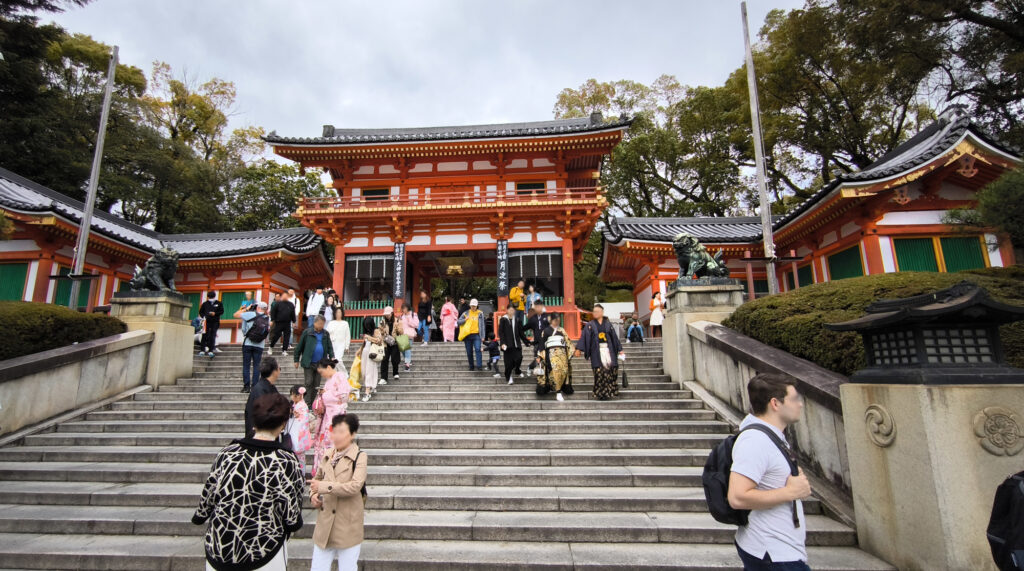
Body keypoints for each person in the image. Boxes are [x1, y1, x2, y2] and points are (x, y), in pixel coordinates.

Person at [194, 393, 304, 571]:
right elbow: (291, 512)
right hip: (263, 546)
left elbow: (207, 497)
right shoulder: (285, 460)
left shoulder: (227, 453)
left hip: (221, 543)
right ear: (283, 423)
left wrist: (202, 515)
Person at [728, 373, 811, 571]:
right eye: (794, 399)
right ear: (775, 403)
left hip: (779, 549)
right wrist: (791, 492)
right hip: (773, 552)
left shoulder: (771, 436)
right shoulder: (756, 441)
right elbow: (737, 497)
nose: (800, 404)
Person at [310, 414, 366, 571]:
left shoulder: (360, 457)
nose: (337, 436)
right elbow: (317, 479)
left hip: (347, 524)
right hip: (325, 525)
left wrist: (324, 487)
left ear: (352, 434)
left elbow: (354, 486)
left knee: (348, 567)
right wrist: (313, 495)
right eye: (335, 431)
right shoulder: (328, 454)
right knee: (317, 567)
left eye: (342, 432)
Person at [311, 357, 351, 478]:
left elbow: (344, 396)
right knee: (325, 443)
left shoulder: (340, 376)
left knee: (333, 442)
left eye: (322, 372)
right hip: (328, 415)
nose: (322, 375)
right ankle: (324, 470)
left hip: (336, 414)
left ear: (328, 367)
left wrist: (326, 394)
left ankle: (333, 470)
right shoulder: (330, 380)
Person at [575, 304, 625, 401]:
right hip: (596, 351)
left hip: (608, 349)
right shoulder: (590, 325)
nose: (595, 313)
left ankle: (609, 392)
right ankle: (600, 393)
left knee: (611, 370)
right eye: (594, 311)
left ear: (602, 312)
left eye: (597, 311)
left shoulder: (608, 324)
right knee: (598, 372)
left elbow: (614, 338)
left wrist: (620, 349)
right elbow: (584, 337)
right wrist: (579, 349)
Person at [293, 315, 335, 409]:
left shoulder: (325, 334)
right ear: (315, 323)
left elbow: (329, 346)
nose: (321, 326)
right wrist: (296, 359)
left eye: (323, 324)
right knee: (308, 382)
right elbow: (300, 346)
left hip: (320, 364)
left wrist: (332, 356)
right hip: (309, 362)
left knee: (316, 384)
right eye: (320, 323)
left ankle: (314, 404)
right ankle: (307, 404)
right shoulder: (307, 332)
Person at [235, 301, 270, 393]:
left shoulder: (250, 314)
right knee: (257, 366)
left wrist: (246, 308)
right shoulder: (267, 318)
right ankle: (255, 387)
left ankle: (246, 387)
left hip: (248, 343)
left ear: (258, 307)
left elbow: (235, 315)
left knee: (246, 365)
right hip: (260, 345)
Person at [536, 314, 573, 401]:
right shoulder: (546, 331)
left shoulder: (562, 330)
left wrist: (571, 352)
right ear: (551, 320)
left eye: (558, 320)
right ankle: (558, 391)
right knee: (554, 372)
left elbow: (568, 342)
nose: (557, 321)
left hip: (562, 354)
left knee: (563, 371)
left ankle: (561, 388)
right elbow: (542, 343)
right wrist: (540, 355)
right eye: (555, 320)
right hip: (551, 354)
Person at [245, 357, 282, 438]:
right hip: (260, 436)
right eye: (279, 368)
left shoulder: (267, 386)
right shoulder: (261, 389)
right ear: (274, 371)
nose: (279, 370)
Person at [498, 303, 531, 385]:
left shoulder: (517, 320)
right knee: (508, 363)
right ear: (507, 310)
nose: (512, 311)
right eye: (510, 310)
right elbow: (501, 333)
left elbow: (521, 333)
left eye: (513, 310)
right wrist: (502, 343)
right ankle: (509, 377)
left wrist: (526, 342)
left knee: (519, 358)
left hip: (516, 344)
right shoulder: (503, 320)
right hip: (507, 345)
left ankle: (517, 370)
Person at [286, 385, 313, 476]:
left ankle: (300, 475)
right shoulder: (297, 405)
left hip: (299, 435)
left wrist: (295, 416)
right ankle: (298, 474)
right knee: (298, 457)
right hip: (297, 433)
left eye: (292, 394)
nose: (291, 396)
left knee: (299, 458)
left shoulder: (301, 406)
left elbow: (303, 421)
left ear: (298, 395)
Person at [377, 306, 403, 383]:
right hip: (385, 343)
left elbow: (401, 332)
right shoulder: (382, 322)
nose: (387, 316)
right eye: (386, 315)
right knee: (384, 360)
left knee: (395, 359)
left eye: (388, 314)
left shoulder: (397, 321)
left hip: (395, 342)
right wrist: (381, 330)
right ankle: (383, 378)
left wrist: (398, 326)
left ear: (392, 313)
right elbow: (379, 332)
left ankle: (395, 372)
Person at [458, 298, 486, 371]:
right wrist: (465, 319)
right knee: (469, 351)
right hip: (467, 335)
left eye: (475, 306)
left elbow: (482, 325)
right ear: (470, 306)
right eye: (472, 306)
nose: (473, 307)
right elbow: (458, 322)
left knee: (477, 349)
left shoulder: (480, 313)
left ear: (477, 306)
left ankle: (479, 366)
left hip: (477, 335)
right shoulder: (466, 313)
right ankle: (471, 366)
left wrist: (483, 336)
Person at [360, 315, 381, 402]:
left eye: (368, 325)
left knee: (369, 371)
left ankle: (367, 391)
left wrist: (369, 337)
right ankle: (372, 386)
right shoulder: (366, 333)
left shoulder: (376, 331)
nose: (367, 327)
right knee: (364, 371)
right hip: (365, 352)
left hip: (372, 353)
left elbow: (379, 341)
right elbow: (364, 343)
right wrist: (359, 351)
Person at [268, 291, 296, 356]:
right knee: (276, 335)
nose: (285, 297)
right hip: (279, 322)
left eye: (286, 295)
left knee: (287, 337)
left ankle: (284, 350)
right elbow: (273, 312)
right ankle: (271, 347)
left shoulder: (291, 304)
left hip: (287, 323)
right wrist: (272, 320)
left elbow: (293, 313)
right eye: (284, 295)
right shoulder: (278, 304)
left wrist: (294, 321)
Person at [198, 291, 223, 357]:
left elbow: (221, 311)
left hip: (215, 321)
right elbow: (201, 312)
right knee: (204, 335)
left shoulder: (218, 303)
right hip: (206, 321)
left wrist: (215, 313)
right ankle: (202, 350)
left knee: (213, 335)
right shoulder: (205, 304)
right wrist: (204, 316)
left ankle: (211, 350)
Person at [525, 300, 549, 368]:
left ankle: (543, 372)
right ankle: (531, 367)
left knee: (545, 356)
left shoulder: (545, 315)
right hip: (537, 340)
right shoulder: (531, 313)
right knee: (537, 357)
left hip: (545, 339)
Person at [399, 303, 419, 371]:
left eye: (404, 308)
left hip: (409, 334)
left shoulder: (414, 314)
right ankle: (408, 361)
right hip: (402, 334)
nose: (403, 310)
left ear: (407, 308)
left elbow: (416, 324)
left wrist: (409, 320)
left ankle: (407, 365)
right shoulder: (402, 316)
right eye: (402, 308)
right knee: (402, 349)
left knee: (407, 350)